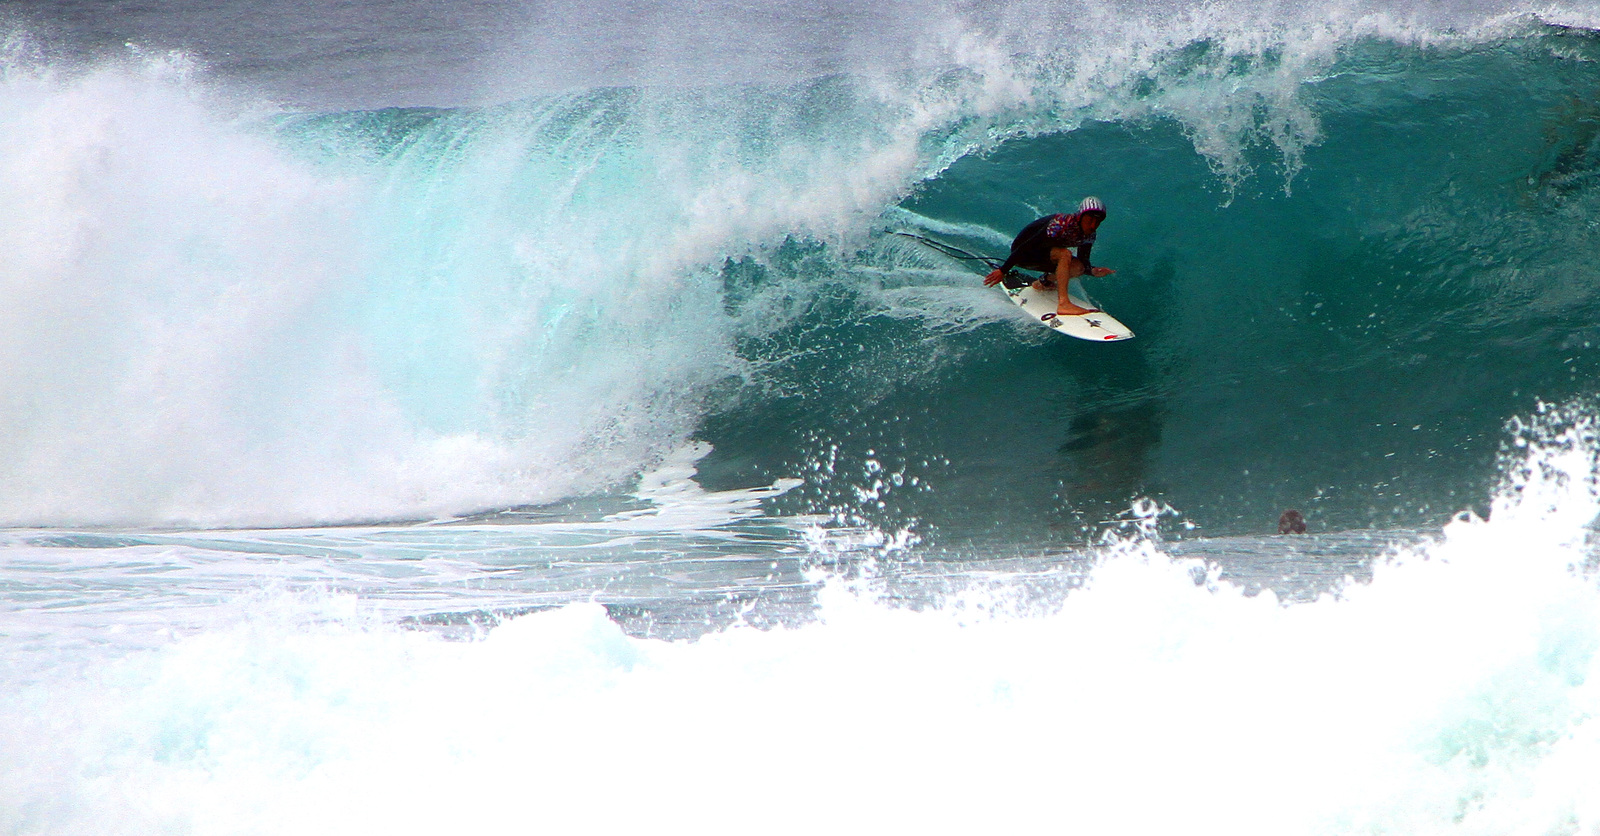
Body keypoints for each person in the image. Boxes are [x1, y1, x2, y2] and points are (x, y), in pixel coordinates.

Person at [984, 197, 1115, 317]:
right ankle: (1064, 304)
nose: (1093, 225)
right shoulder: (1061, 225)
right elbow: (1025, 247)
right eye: (1090, 220)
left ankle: (1042, 282)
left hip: (1044, 256)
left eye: (1097, 222)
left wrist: (1093, 271)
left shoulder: (1089, 235)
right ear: (1080, 216)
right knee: (1065, 254)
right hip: (1023, 254)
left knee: (1078, 268)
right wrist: (1003, 270)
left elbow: (1083, 262)